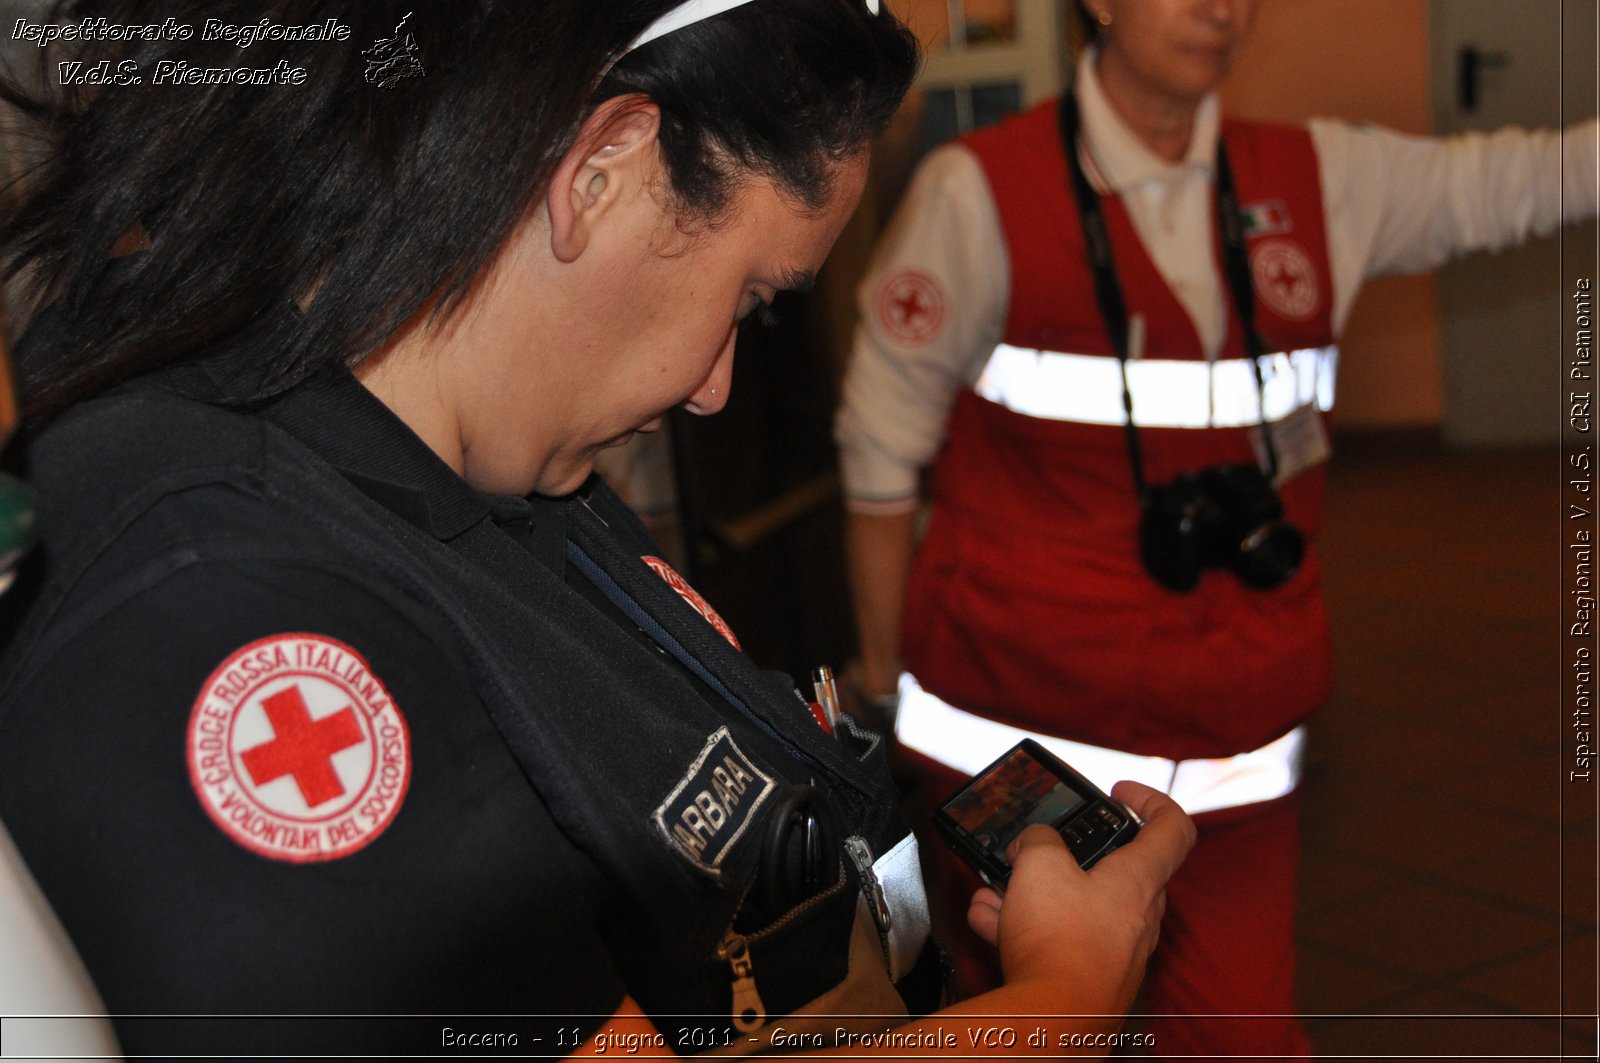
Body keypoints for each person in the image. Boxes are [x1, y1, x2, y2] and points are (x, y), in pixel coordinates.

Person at [0, 0, 1196, 1058]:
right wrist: (1067, 997)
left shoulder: (490, 467)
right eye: (752, 298)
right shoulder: (214, 592)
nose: (719, 383)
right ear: (605, 165)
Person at [835, 0, 1599, 1058]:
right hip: (1023, 744)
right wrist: (877, 679)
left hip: (1234, 746)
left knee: (1239, 1036)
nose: (1220, 6)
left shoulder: (1313, 179)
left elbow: (1519, 179)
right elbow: (879, 451)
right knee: (1011, 1034)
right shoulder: (982, 191)